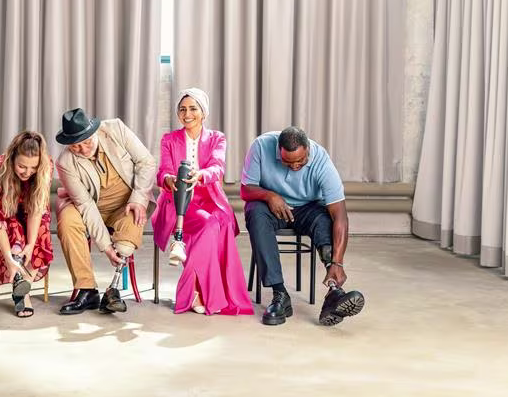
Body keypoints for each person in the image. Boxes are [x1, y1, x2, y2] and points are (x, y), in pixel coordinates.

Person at [241, 126, 365, 326]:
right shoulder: (261, 146)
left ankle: (333, 293)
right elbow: (246, 190)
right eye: (288, 162)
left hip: (308, 208)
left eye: (301, 160)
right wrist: (269, 195)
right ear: (278, 151)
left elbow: (340, 215)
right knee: (255, 213)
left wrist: (338, 262)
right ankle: (280, 295)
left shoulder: (322, 161)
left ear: (308, 149)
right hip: (271, 207)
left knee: (325, 220)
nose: (295, 166)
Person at [152, 88, 253, 315]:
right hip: (178, 203)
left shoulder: (217, 138)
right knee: (209, 225)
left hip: (209, 198)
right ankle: (195, 290)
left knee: (223, 223)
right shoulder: (169, 139)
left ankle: (217, 292)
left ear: (203, 112)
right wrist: (168, 179)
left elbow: (218, 167)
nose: (187, 114)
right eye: (182, 109)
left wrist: (200, 176)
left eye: (193, 109)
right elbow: (163, 171)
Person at [55, 108, 157, 315]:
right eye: (75, 146)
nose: (83, 149)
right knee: (67, 220)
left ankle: (113, 289)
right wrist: (105, 247)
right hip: (92, 207)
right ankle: (87, 290)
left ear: (94, 132)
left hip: (128, 203)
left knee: (125, 244)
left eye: (86, 142)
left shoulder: (115, 129)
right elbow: (85, 205)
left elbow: (147, 162)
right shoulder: (65, 162)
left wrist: (138, 199)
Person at [0, 131, 54, 318]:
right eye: (22, 166)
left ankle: (23, 287)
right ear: (12, 159)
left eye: (33, 168)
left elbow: (36, 209)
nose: (28, 172)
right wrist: (8, 258)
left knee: (41, 228)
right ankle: (20, 286)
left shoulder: (46, 167)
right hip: (4, 215)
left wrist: (30, 245)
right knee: (14, 230)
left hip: (30, 212)